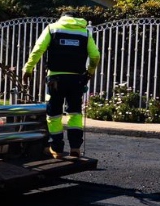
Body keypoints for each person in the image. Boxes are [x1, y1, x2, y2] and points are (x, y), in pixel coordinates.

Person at [22, 12, 101, 159]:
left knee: (54, 114)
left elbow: (38, 49)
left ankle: (56, 149)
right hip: (77, 79)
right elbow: (95, 55)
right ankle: (75, 147)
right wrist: (89, 72)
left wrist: (28, 69)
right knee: (75, 113)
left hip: (55, 79)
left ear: (62, 18)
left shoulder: (52, 29)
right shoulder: (84, 33)